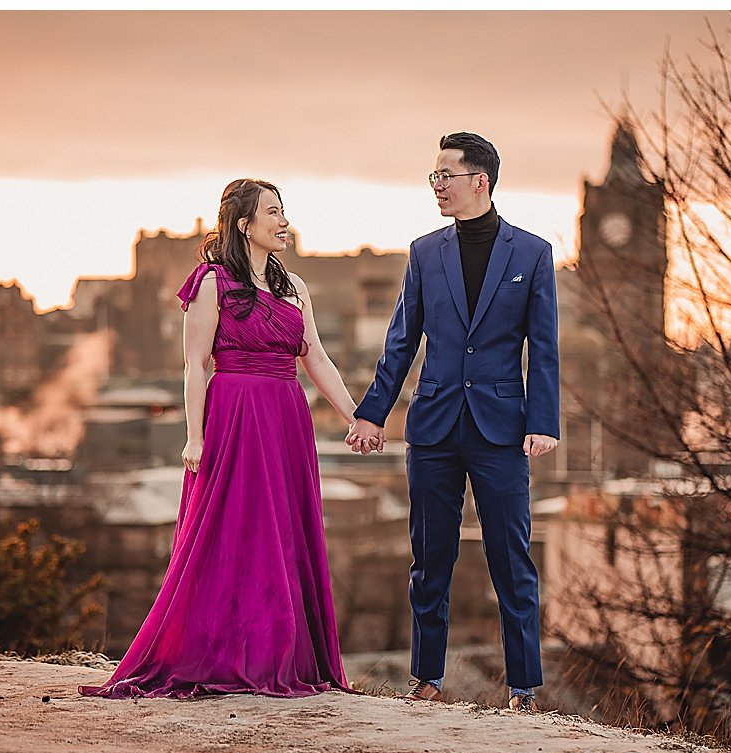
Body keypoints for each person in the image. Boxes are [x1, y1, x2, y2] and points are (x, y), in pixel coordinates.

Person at [80, 178, 361, 699]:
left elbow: (316, 359)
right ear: (243, 224)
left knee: (282, 533)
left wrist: (356, 416)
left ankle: (279, 653)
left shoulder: (294, 287)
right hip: (233, 415)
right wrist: (194, 437)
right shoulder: (211, 282)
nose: (284, 221)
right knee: (232, 533)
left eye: (285, 211)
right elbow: (193, 364)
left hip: (285, 417)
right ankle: (225, 654)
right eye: (272, 212)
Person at [347, 133, 560, 713]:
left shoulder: (533, 254)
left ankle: (522, 686)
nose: (436, 184)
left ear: (480, 181)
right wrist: (372, 411)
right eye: (434, 176)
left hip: (502, 430)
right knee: (430, 556)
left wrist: (544, 421)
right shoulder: (424, 252)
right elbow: (401, 341)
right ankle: (427, 679)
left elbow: (543, 347)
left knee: (511, 558)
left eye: (446, 174)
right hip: (434, 426)